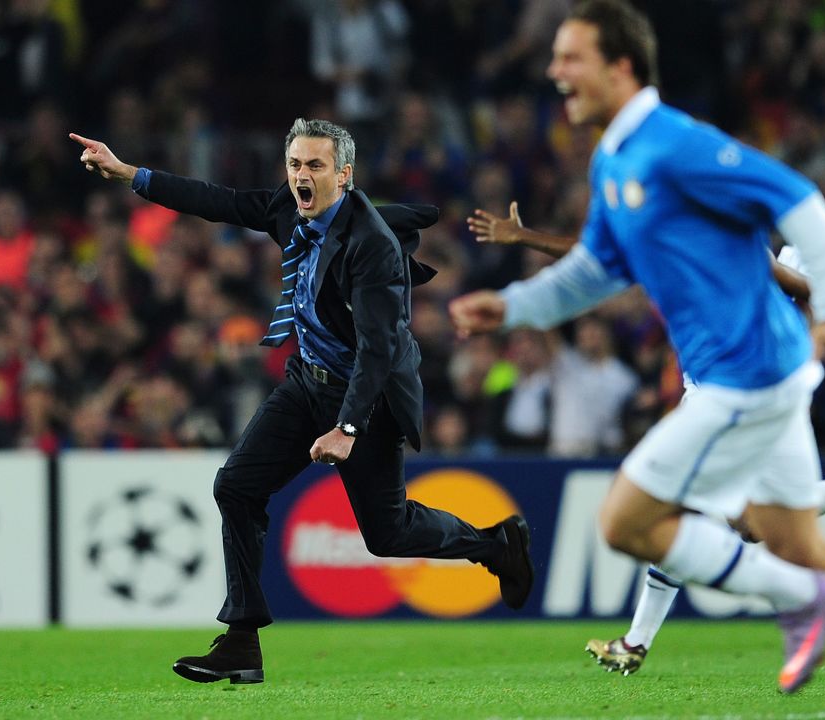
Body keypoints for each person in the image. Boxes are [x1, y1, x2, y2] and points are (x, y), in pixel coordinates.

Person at [448, 3, 825, 718]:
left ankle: (792, 603)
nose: (554, 71)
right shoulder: (616, 159)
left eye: (571, 57)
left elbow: (795, 195)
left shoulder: (674, 144)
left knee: (627, 520)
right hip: (758, 371)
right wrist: (515, 307)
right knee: (794, 537)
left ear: (621, 66)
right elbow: (598, 268)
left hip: (741, 373)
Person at [70, 118, 534, 685]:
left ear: (344, 174)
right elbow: (217, 200)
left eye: (314, 166)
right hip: (305, 383)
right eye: (294, 165)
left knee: (388, 534)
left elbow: (379, 349)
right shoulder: (291, 211)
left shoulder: (372, 247)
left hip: (368, 399)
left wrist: (348, 427)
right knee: (235, 487)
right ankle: (241, 642)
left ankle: (495, 544)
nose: (301, 177)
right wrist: (129, 174)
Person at [470, 205, 825, 676]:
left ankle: (646, 639)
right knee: (746, 524)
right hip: (731, 390)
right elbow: (594, 259)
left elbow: (776, 274)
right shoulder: (673, 240)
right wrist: (524, 237)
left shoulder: (717, 238)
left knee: (661, 514)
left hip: (724, 394)